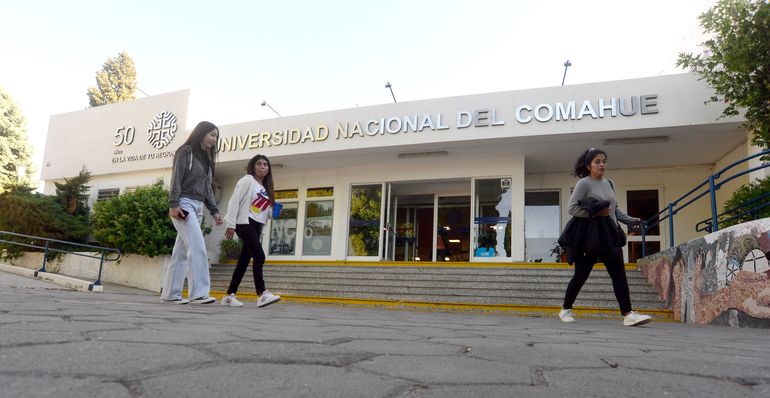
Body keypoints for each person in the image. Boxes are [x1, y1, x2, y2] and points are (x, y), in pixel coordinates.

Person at [558, 148, 652, 326]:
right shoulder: (584, 184)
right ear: (588, 166)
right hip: (590, 239)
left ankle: (628, 314)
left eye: (604, 161)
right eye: (597, 162)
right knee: (580, 275)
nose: (602, 165)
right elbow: (572, 209)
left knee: (619, 276)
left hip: (609, 236)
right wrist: (596, 214)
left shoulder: (609, 183)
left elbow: (614, 210)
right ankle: (565, 309)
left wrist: (632, 220)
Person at [161, 121, 223, 304]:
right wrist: (174, 204)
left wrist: (214, 210)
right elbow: (176, 179)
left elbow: (207, 189)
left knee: (180, 253)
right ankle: (198, 293)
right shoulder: (186, 151)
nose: (214, 139)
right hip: (184, 204)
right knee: (197, 247)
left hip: (198, 207)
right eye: (212, 134)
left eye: (216, 136)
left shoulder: (207, 159)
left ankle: (170, 295)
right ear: (201, 133)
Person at [221, 154, 281, 308]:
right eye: (259, 164)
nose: (263, 167)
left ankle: (229, 296)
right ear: (253, 167)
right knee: (259, 256)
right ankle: (261, 294)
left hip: (256, 225)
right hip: (244, 223)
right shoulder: (248, 180)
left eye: (265, 164)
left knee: (243, 262)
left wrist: (272, 212)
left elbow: (260, 211)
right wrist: (231, 224)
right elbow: (235, 200)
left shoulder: (266, 188)